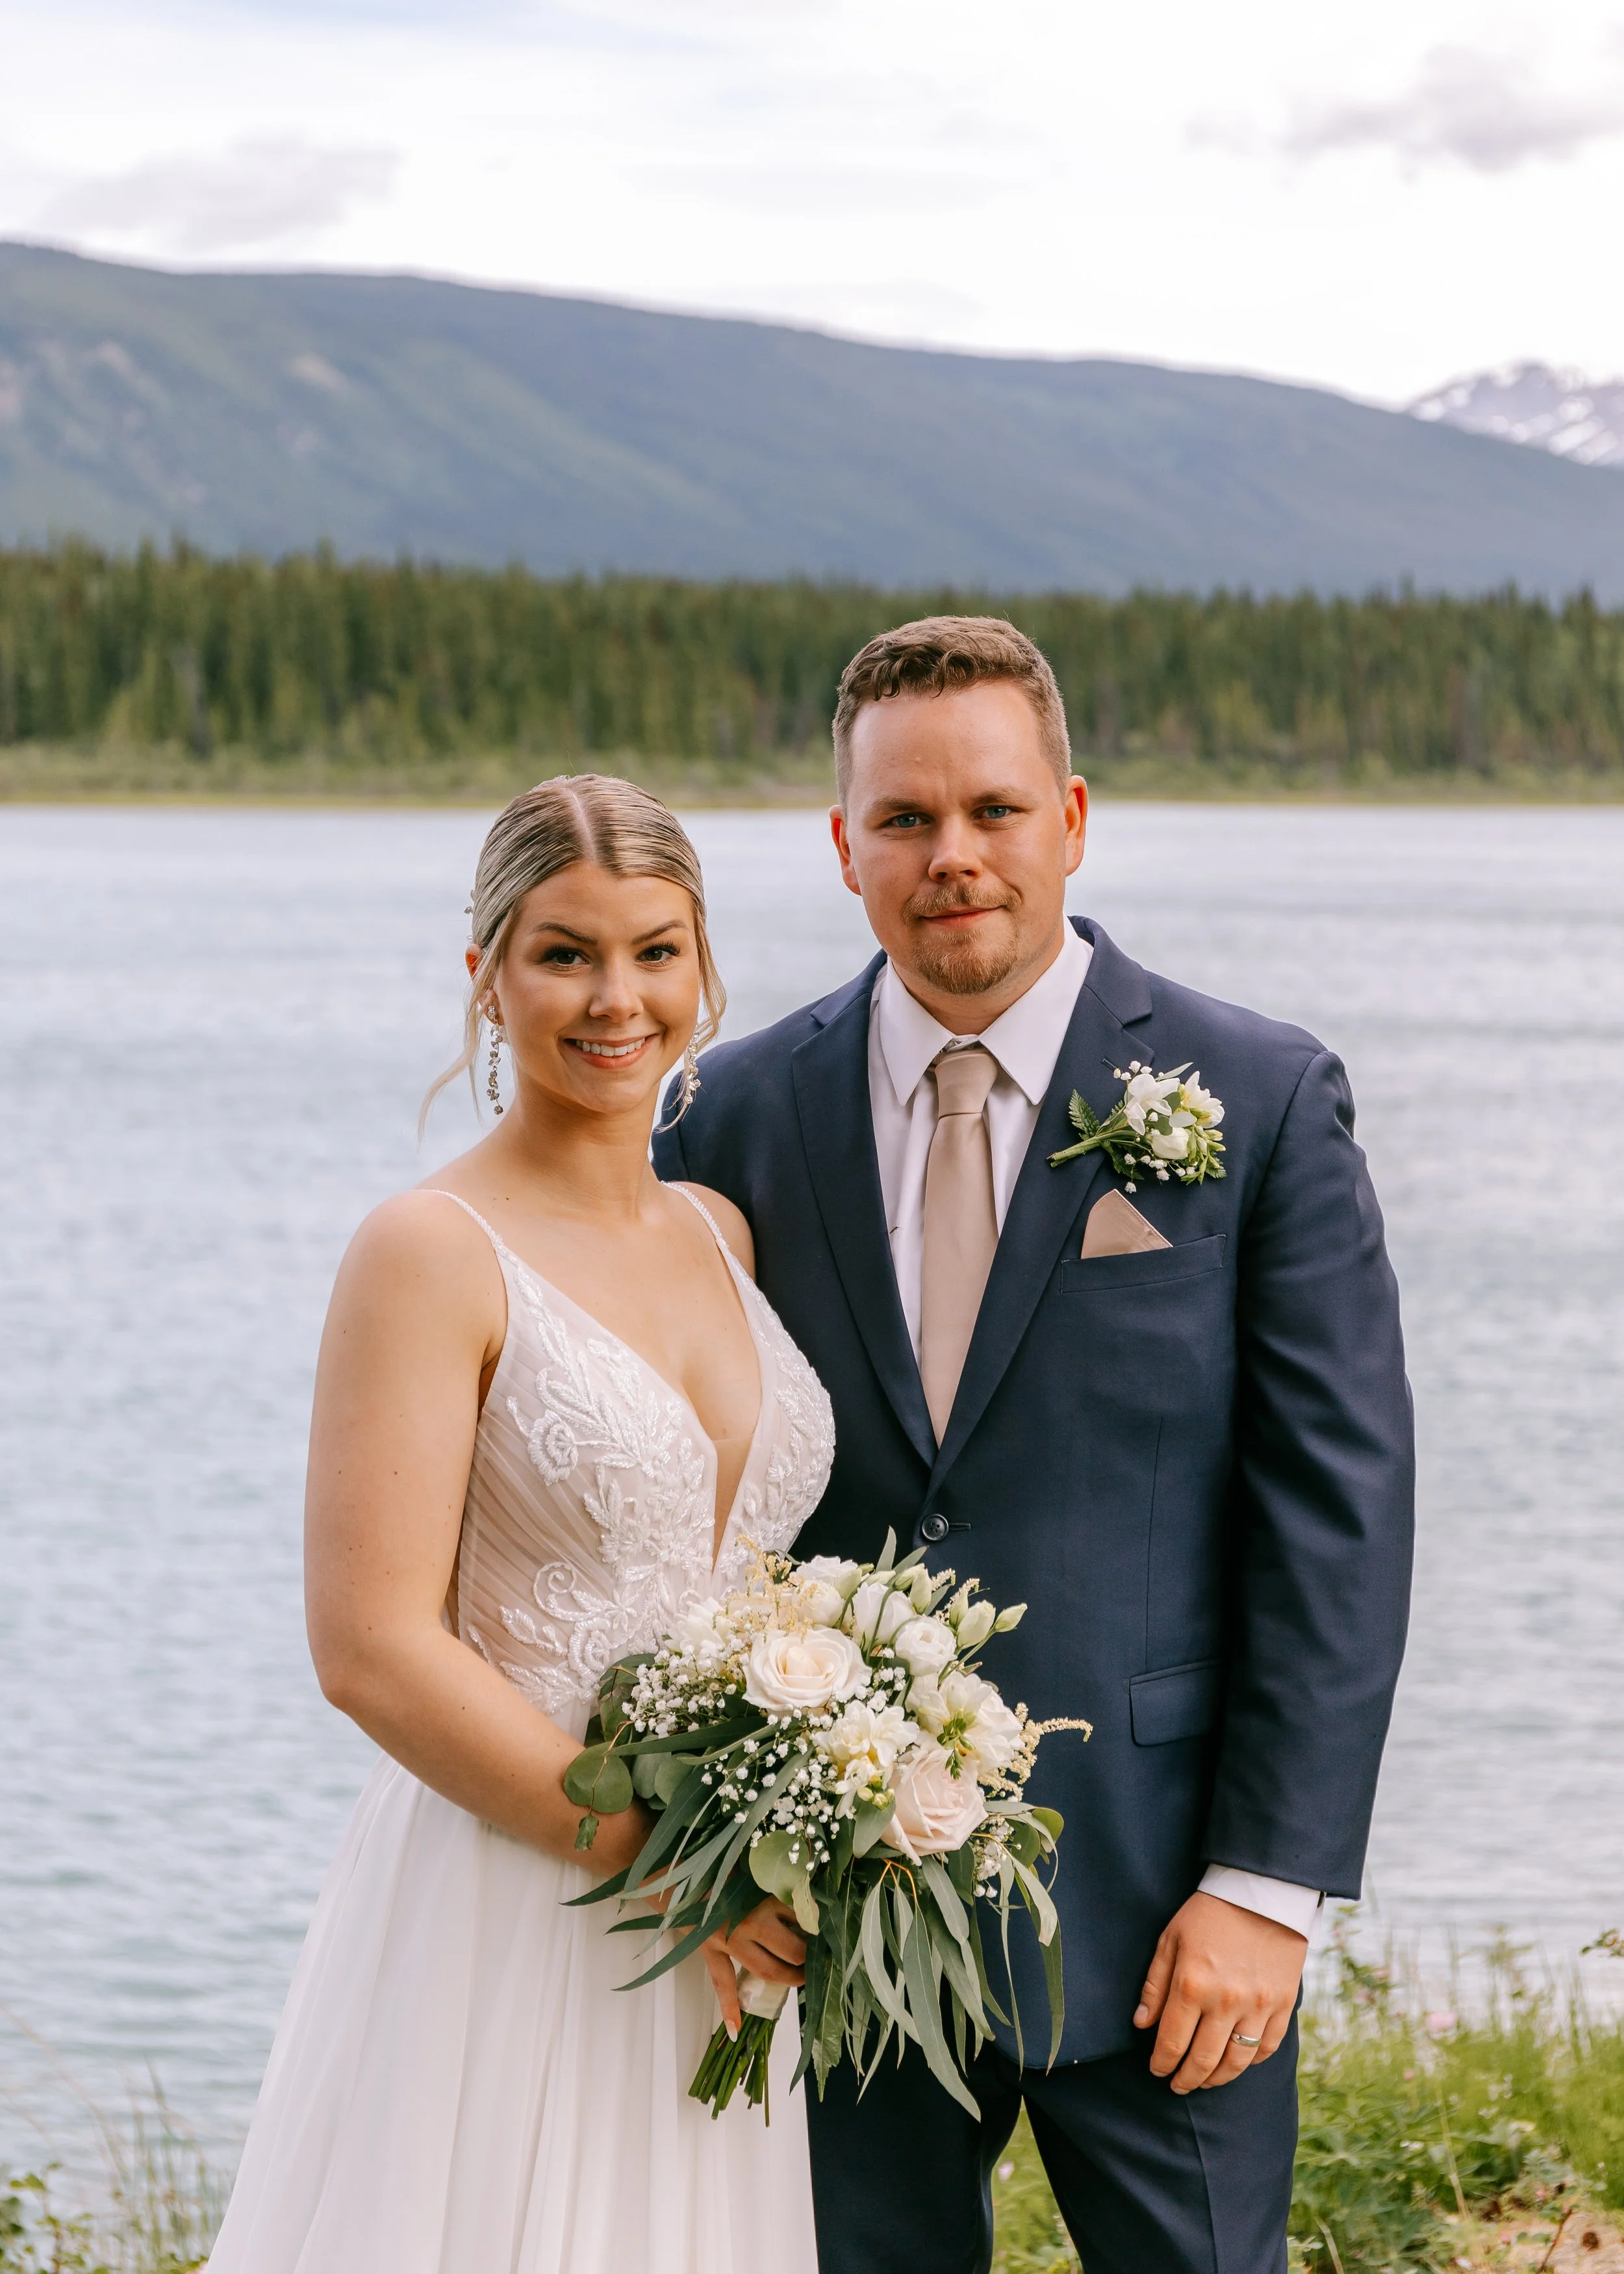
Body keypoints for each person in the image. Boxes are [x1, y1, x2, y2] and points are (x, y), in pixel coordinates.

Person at [653, 617, 1415, 2274]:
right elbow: (681, 1515)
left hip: (1162, 1920)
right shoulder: (727, 1115)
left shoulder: (1258, 1097)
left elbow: (1335, 1521)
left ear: (1069, 817)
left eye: (991, 811)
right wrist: (716, 1841)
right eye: (907, 821)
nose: (954, 860)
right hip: (832, 1912)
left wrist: (1268, 1886)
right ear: (842, 844)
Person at [206, 777, 830, 2274]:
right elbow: (368, 1649)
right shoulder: (428, 1250)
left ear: (703, 969)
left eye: (654, 951)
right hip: (521, 1891)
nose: (615, 999)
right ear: (484, 974)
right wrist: (670, 1865)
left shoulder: (717, 1232)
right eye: (563, 954)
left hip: (722, 1931)